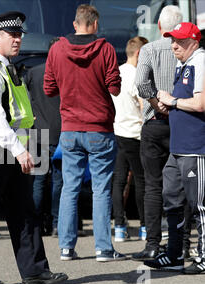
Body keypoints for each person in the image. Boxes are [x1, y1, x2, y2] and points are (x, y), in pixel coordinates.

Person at [0, 11, 68, 284]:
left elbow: (19, 114)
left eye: (20, 34)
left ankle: (34, 272)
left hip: (9, 145)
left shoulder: (8, 68)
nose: (18, 39)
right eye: (13, 35)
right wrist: (20, 150)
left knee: (24, 211)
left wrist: (24, 145)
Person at [44, 4, 125, 262]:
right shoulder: (106, 49)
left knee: (70, 187)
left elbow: (49, 89)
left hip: (69, 128)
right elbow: (114, 88)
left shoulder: (56, 49)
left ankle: (66, 248)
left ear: (75, 24)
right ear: (95, 24)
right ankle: (103, 249)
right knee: (101, 188)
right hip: (99, 128)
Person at [144, 22, 205, 273]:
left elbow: (201, 103)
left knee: (200, 205)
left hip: (195, 147)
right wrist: (169, 103)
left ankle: (202, 258)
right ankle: (174, 254)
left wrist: (174, 100)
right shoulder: (184, 64)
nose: (173, 45)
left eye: (179, 41)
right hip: (177, 148)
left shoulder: (200, 61)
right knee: (172, 200)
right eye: (171, 40)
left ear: (194, 41)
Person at [132, 5, 183, 261]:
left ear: (160, 27)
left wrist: (155, 103)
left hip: (154, 124)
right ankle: (180, 244)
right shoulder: (189, 51)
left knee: (152, 185)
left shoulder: (149, 49)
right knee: (182, 184)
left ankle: (152, 244)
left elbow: (140, 83)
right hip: (182, 123)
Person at [111, 36, 148, 242]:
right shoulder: (137, 75)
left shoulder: (115, 72)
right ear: (139, 53)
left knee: (118, 180)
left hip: (116, 131)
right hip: (135, 133)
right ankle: (144, 226)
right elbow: (143, 105)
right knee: (141, 180)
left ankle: (119, 227)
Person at [25, 37, 62, 237]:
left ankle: (36, 224)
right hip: (60, 134)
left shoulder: (33, 72)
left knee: (38, 181)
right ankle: (57, 224)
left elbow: (23, 100)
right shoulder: (66, 73)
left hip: (38, 134)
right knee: (60, 182)